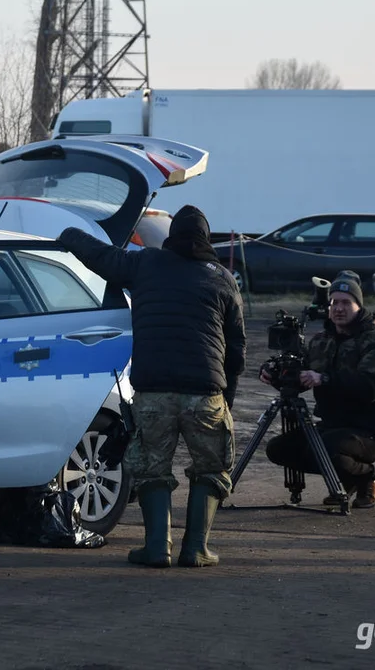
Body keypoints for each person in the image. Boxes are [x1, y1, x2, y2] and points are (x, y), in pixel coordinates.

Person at [57, 205, 246, 568]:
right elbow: (236, 350)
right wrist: (228, 398)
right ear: (207, 238)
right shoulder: (223, 278)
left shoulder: (145, 264)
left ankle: (158, 548)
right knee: (211, 468)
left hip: (153, 390)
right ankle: (197, 550)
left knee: (152, 468)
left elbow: (101, 256)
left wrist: (68, 233)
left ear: (171, 235)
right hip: (205, 392)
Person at [262, 276, 375, 508]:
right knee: (279, 449)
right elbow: (301, 379)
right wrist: (276, 375)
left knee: (327, 447)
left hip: (369, 430)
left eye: (346, 302)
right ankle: (347, 478)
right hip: (332, 426)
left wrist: (324, 378)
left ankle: (367, 477)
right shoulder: (321, 341)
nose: (339, 308)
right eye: (334, 303)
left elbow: (369, 388)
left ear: (359, 306)